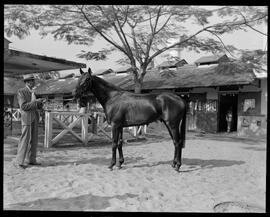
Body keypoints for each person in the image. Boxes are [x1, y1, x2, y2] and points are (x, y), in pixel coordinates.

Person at [13, 74, 45, 170]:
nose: (32, 82)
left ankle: (32, 160)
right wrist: (36, 102)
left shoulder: (33, 92)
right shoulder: (21, 92)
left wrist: (41, 103)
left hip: (35, 117)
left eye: (33, 81)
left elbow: (36, 106)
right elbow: (23, 106)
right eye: (30, 81)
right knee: (25, 139)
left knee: (34, 139)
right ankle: (19, 162)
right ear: (26, 82)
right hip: (26, 118)